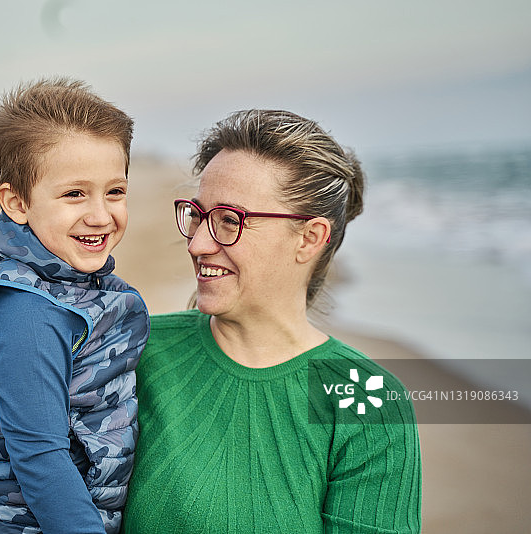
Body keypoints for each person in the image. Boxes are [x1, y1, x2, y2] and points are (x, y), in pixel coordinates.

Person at [121, 110, 422, 533]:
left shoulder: (367, 401)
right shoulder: (134, 349)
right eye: (198, 215)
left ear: (310, 238)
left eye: (230, 220)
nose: (197, 243)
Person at [0, 78, 150, 534]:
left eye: (115, 191)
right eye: (74, 194)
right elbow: (40, 455)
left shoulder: (66, 279)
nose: (101, 215)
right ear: (17, 202)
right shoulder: (26, 311)